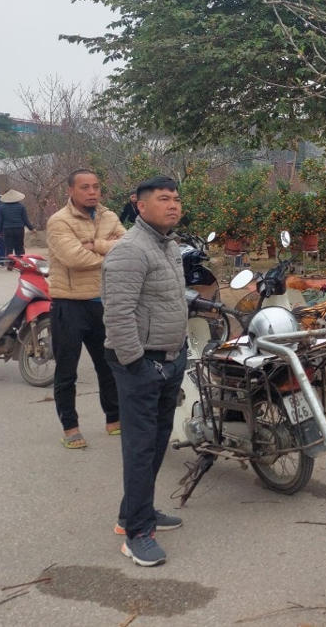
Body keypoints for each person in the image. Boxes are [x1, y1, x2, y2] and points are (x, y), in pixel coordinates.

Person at [102, 176, 187, 567]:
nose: (173, 205)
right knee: (139, 449)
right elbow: (117, 315)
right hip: (141, 363)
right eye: (163, 199)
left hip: (169, 358)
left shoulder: (167, 246)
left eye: (175, 199)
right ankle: (137, 534)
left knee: (155, 443)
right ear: (140, 205)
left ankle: (133, 514)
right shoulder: (130, 251)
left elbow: (164, 298)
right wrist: (137, 363)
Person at [46, 169, 125, 449]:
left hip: (104, 304)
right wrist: (109, 252)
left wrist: (98, 244)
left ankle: (114, 419)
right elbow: (74, 258)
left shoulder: (109, 216)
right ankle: (70, 426)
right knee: (67, 371)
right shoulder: (59, 222)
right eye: (85, 187)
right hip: (69, 305)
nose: (92, 192)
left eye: (96, 187)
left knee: (109, 366)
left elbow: (127, 248)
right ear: (71, 190)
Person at [0, 189, 36, 257]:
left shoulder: (2, 207)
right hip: (19, 229)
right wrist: (31, 228)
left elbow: (0, 221)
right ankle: (21, 263)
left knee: (8, 248)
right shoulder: (21, 207)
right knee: (19, 247)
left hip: (7, 229)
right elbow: (25, 220)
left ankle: (9, 264)